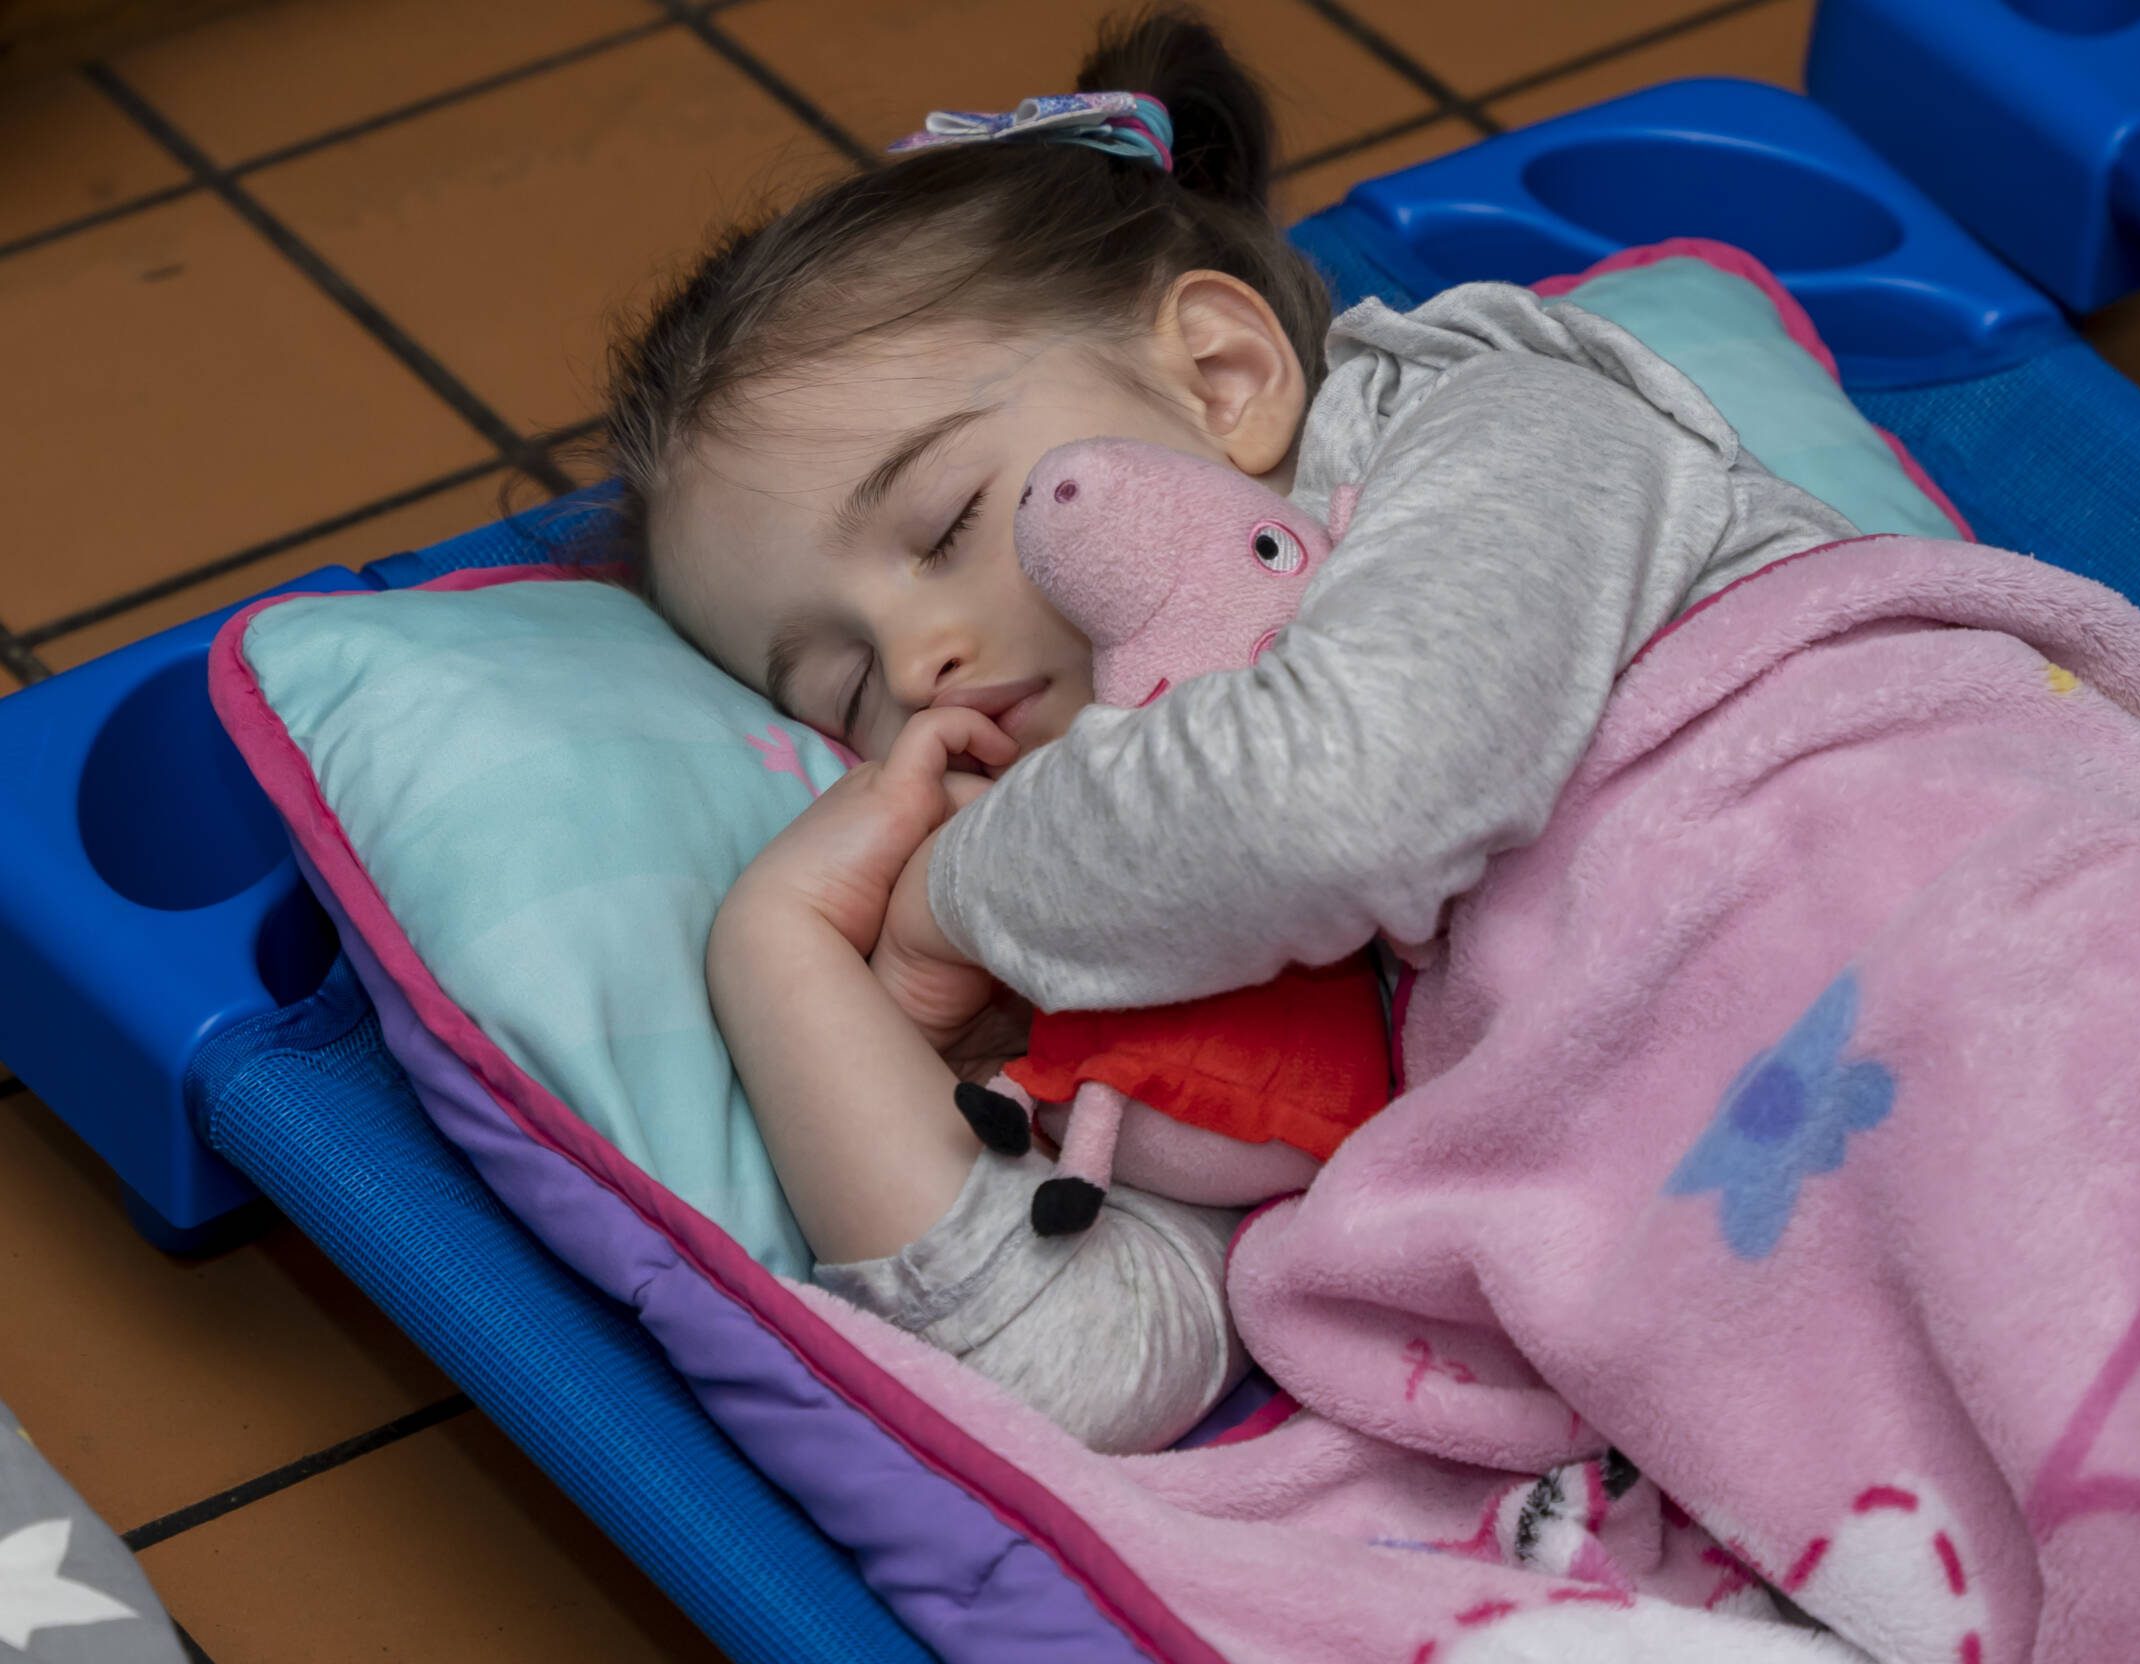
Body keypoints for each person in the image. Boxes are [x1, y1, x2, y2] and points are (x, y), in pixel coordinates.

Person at [601, 7, 1853, 1453]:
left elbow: (1352, 795)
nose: (918, 664)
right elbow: (1074, 1368)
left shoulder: (1508, 424)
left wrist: (954, 898)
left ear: (1221, 376)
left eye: (945, 526)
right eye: (843, 692)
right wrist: (782, 957)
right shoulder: (1142, 918)